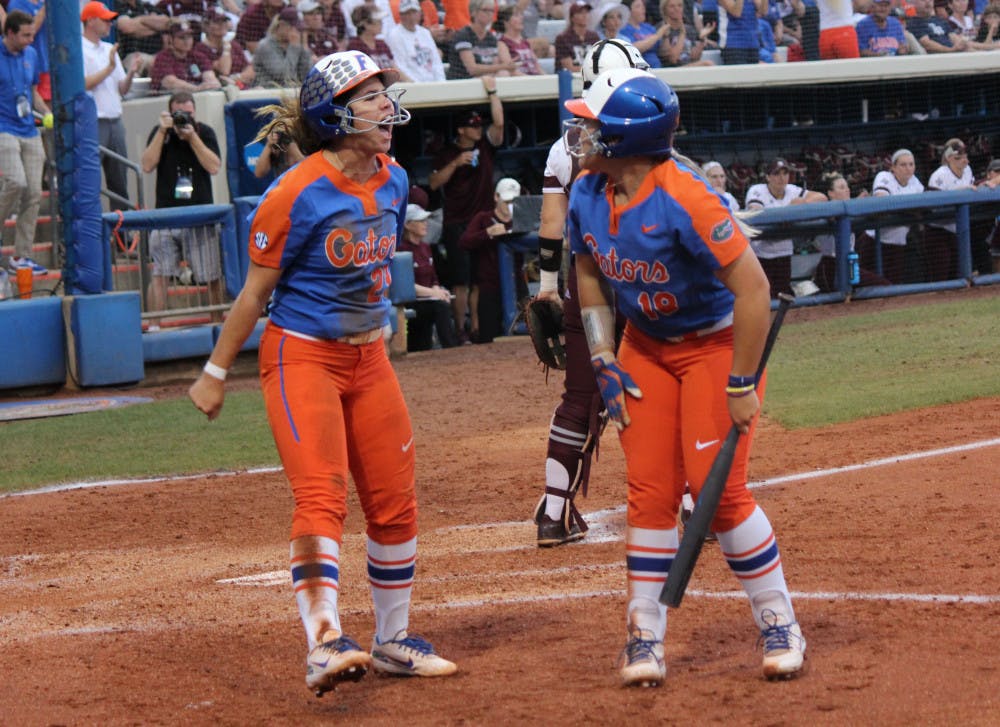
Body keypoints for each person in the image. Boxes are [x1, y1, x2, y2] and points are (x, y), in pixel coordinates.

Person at [188, 50, 457, 697]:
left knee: (395, 501)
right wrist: (215, 371)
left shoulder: (392, 180)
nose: (385, 106)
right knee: (322, 495)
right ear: (335, 114)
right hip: (301, 355)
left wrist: (384, 318)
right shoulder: (294, 192)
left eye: (383, 94)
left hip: (368, 358)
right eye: (370, 97)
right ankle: (324, 640)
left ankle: (392, 639)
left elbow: (373, 264)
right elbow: (254, 294)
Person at [562, 66, 805, 686]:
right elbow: (588, 272)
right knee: (649, 490)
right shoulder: (589, 191)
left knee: (718, 493)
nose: (578, 135)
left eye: (590, 125)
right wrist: (602, 354)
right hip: (646, 346)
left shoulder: (687, 197)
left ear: (625, 138)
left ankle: (779, 622)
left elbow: (753, 290)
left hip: (716, 347)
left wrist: (742, 384)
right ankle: (644, 637)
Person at [531, 38, 646, 548]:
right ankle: (687, 503)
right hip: (644, 278)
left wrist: (548, 286)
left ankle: (553, 513)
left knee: (580, 397)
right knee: (664, 389)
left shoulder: (565, 144)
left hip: (586, 280)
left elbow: (551, 225)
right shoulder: (646, 129)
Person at [428, 76, 504, 345]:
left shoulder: (484, 146)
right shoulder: (448, 153)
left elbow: (499, 124)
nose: (478, 129)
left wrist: (492, 91)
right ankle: (459, 330)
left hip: (482, 219)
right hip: (456, 221)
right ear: (461, 130)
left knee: (480, 280)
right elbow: (433, 182)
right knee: (461, 282)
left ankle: (477, 328)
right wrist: (457, 162)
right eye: (472, 126)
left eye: (478, 125)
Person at [140, 91, 224, 327]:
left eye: (188, 114)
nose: (183, 119)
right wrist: (162, 130)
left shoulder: (204, 132)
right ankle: (154, 327)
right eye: (179, 114)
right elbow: (146, 165)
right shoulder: (161, 134)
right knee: (160, 275)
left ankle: (217, 325)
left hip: (200, 218)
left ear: (195, 112)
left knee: (212, 276)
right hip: (165, 218)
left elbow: (215, 166)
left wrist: (192, 138)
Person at [1, 9, 50, 276]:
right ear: (9, 33)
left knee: (33, 192)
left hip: (29, 128)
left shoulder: (31, 54)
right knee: (15, 181)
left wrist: (47, 112)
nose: (32, 39)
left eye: (33, 34)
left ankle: (22, 256)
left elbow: (33, 93)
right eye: (26, 35)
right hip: (2, 128)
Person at [81, 2, 140, 212]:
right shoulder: (79, 48)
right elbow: (83, 84)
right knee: (91, 183)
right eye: (105, 19)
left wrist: (131, 72)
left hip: (115, 120)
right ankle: (94, 235)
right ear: (90, 21)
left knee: (120, 182)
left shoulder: (108, 49)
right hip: (93, 122)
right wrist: (110, 68)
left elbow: (122, 89)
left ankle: (123, 238)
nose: (110, 24)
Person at [744, 159, 827, 299]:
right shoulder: (757, 190)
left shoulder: (792, 190)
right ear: (768, 177)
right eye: (776, 174)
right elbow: (755, 212)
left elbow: (822, 198)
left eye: (785, 173)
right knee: (763, 298)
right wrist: (787, 212)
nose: (782, 178)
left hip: (783, 254)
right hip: (760, 255)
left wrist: (803, 202)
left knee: (782, 297)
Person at [459, 177, 521, 344]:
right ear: (496, 197)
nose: (509, 205)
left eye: (514, 201)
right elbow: (464, 242)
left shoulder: (521, 219)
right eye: (506, 200)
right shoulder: (483, 218)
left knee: (523, 334)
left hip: (517, 286)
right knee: (488, 337)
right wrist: (488, 233)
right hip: (489, 288)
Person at [810, 171, 889, 291]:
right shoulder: (824, 207)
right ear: (830, 193)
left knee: (881, 287)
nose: (847, 190)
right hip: (830, 266)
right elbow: (833, 216)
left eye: (847, 186)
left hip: (849, 263)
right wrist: (857, 202)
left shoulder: (851, 207)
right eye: (841, 187)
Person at [399, 203, 460, 351]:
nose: (425, 224)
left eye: (425, 220)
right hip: (412, 302)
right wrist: (434, 293)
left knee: (442, 302)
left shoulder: (425, 247)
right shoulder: (400, 249)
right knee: (441, 306)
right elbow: (406, 285)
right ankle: (451, 348)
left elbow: (433, 278)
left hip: (427, 301)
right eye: (420, 221)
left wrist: (438, 290)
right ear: (407, 225)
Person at [864, 148, 925, 284]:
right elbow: (882, 202)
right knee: (864, 283)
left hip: (897, 244)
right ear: (893, 168)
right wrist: (909, 209)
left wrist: (903, 210)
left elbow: (922, 209)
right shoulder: (884, 176)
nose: (908, 169)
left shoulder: (915, 182)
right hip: (873, 241)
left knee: (893, 285)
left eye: (911, 164)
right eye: (903, 165)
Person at [924, 138, 974, 280]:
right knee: (941, 274)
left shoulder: (968, 171)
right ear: (949, 159)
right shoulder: (939, 175)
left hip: (957, 230)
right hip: (937, 231)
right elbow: (933, 208)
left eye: (965, 157)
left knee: (958, 273)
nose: (965, 161)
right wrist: (960, 191)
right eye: (959, 158)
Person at [445, 0, 519, 78]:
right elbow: (472, 69)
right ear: (473, 12)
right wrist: (504, 66)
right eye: (485, 10)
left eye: (492, 11)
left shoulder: (491, 38)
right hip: (463, 81)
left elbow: (494, 64)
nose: (489, 14)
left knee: (503, 74)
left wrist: (505, 67)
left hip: (484, 80)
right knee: (501, 72)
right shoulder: (464, 35)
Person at [150, 19, 220, 92]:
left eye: (189, 37)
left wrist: (212, 84)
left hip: (196, 96)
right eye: (182, 38)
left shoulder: (197, 56)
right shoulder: (163, 57)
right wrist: (196, 89)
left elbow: (209, 76)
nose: (187, 41)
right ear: (171, 39)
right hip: (167, 98)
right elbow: (170, 82)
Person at [385, 0, 446, 81]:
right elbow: (400, 66)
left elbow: (436, 61)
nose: (411, 17)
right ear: (401, 15)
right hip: (413, 87)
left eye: (414, 12)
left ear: (420, 13)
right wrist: (416, 86)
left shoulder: (425, 33)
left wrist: (441, 83)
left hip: (433, 84)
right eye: (407, 13)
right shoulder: (394, 35)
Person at [348, 5, 411, 80]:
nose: (381, 24)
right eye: (378, 21)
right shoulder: (355, 46)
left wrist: (411, 83)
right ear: (366, 25)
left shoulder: (381, 44)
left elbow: (394, 69)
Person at [254, 7, 313, 88]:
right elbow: (283, 75)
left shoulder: (295, 45)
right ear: (282, 25)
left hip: (292, 93)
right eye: (294, 28)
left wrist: (305, 48)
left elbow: (307, 75)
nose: (297, 32)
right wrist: (293, 48)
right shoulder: (266, 46)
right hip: (267, 94)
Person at [197, 8, 255, 88]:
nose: (222, 25)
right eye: (217, 22)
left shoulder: (234, 45)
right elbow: (224, 70)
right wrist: (226, 50)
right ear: (206, 26)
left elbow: (250, 69)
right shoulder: (200, 49)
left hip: (240, 86)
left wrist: (236, 78)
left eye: (224, 21)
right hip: (220, 90)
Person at [114, 0, 170, 77]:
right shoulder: (119, 6)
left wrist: (139, 21)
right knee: (133, 71)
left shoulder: (146, 6)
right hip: (132, 55)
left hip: (155, 54)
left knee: (164, 68)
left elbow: (166, 23)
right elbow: (128, 28)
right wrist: (153, 24)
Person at [252, 101, 306, 179]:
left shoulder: (306, 139)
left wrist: (292, 144)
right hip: (283, 187)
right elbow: (259, 173)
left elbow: (307, 168)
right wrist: (268, 146)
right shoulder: (278, 143)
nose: (285, 129)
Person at [658, 0, 715, 66]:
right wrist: (682, 33)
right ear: (664, 9)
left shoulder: (689, 29)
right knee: (708, 64)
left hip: (688, 67)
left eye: (680, 5)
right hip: (672, 69)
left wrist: (701, 39)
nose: (677, 9)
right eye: (672, 6)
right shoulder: (661, 29)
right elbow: (673, 59)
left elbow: (695, 57)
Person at [497, 4, 545, 74]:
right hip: (520, 81)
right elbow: (510, 70)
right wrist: (531, 80)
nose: (521, 18)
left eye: (521, 15)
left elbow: (537, 67)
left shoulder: (525, 42)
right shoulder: (502, 43)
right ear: (506, 22)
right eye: (516, 15)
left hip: (534, 79)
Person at [554, 1, 601, 71]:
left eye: (587, 12)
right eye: (580, 13)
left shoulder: (594, 37)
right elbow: (569, 68)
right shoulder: (563, 38)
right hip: (571, 78)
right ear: (572, 17)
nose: (585, 15)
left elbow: (599, 61)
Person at [619, 0, 667, 66]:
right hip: (640, 70)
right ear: (628, 11)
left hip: (658, 68)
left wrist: (666, 36)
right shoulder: (623, 30)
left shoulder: (648, 27)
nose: (643, 8)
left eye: (643, 5)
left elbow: (663, 51)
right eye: (638, 6)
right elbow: (633, 49)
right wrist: (657, 35)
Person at [717, 0, 767, 64]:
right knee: (738, 73)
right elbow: (737, 12)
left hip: (752, 42)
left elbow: (763, 11)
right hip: (732, 44)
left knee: (753, 73)